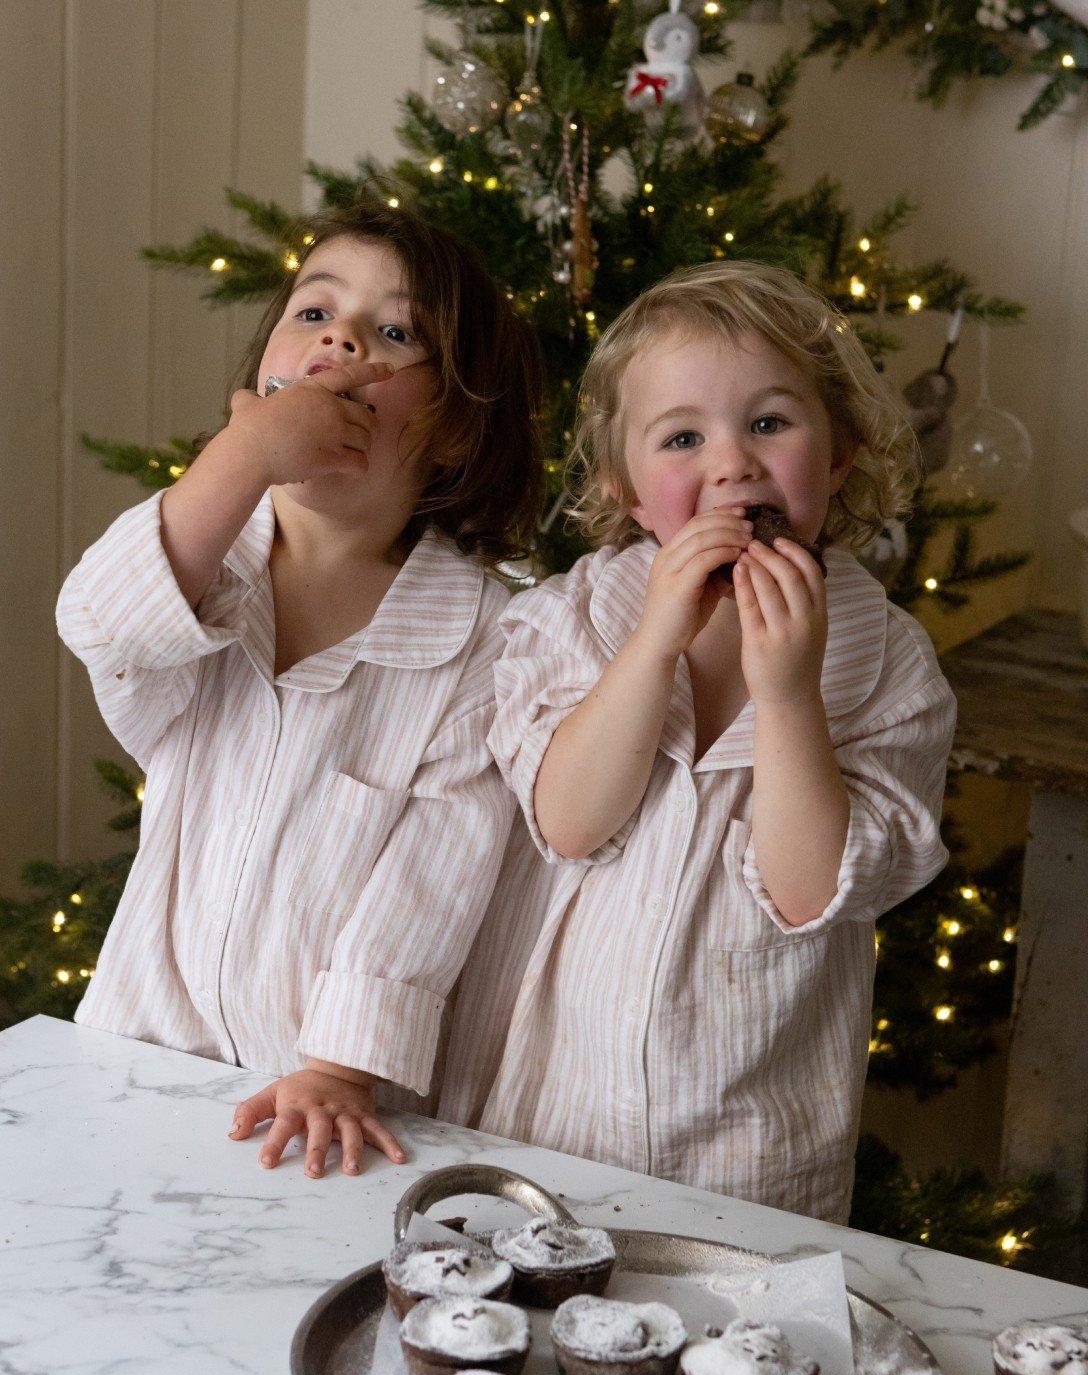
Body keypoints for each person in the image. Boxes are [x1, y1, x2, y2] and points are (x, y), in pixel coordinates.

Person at [439, 260, 956, 1224]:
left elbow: (812, 891)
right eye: (683, 437)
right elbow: (569, 820)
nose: (734, 465)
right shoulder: (571, 622)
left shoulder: (889, 660)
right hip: (556, 1120)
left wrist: (789, 695)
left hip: (754, 1144)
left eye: (770, 422)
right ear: (628, 491)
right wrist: (653, 642)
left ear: (838, 451)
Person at [57, 201, 543, 1180]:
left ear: (451, 429)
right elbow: (99, 622)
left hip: (327, 1112)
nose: (343, 338)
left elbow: (433, 874)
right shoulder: (205, 563)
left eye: (395, 332)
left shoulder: (480, 639)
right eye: (313, 312)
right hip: (139, 1055)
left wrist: (340, 1065)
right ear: (264, 380)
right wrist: (240, 460)